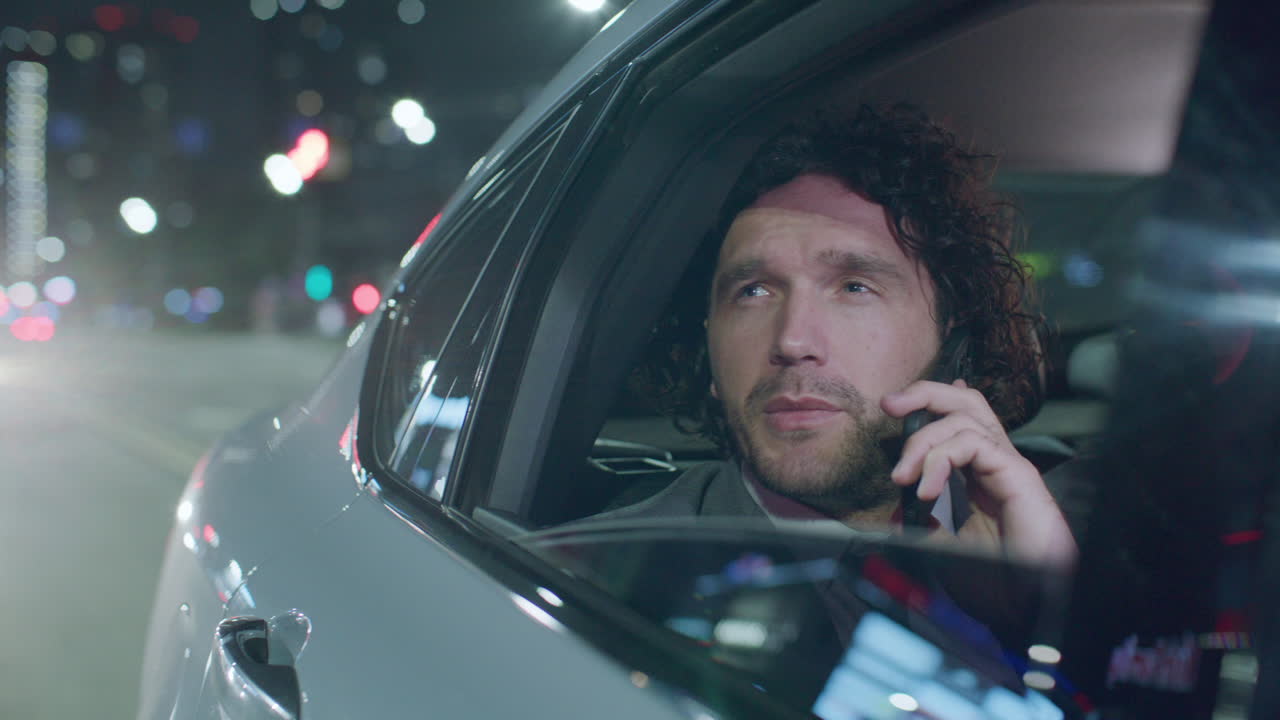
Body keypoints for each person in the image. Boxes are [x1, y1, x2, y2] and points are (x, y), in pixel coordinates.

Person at [605, 103, 1077, 568]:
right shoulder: (609, 575)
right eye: (753, 291)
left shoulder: (1084, 538)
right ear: (708, 349)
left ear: (953, 338)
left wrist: (1046, 607)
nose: (792, 342)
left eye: (855, 287)